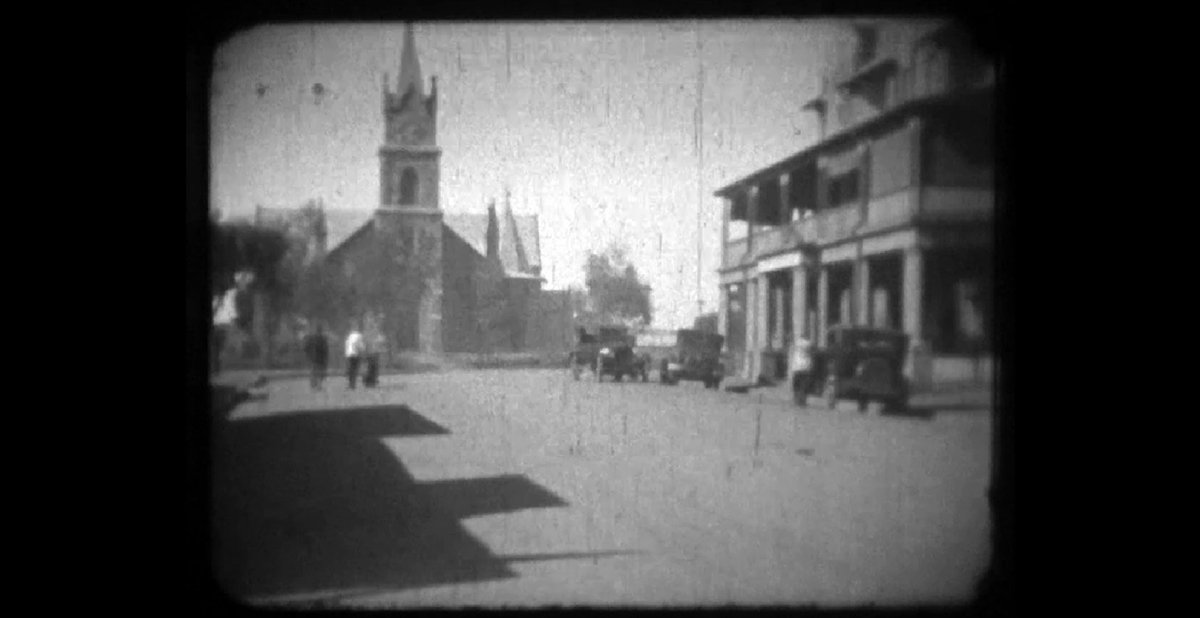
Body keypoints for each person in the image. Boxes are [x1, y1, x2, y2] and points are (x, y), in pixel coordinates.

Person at [303, 324, 329, 391]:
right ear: (321, 330)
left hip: (313, 357)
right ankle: (319, 385)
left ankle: (313, 385)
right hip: (321, 358)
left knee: (313, 371)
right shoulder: (323, 338)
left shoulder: (312, 338)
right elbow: (325, 349)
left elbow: (306, 347)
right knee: (320, 372)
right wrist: (326, 358)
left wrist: (308, 354)